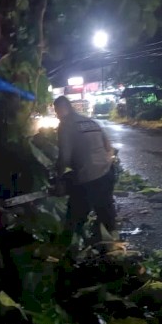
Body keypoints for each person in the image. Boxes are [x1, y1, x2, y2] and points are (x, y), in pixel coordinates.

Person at [53, 96, 118, 256]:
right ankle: (114, 246)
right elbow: (109, 147)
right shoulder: (90, 122)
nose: (56, 115)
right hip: (107, 172)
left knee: (75, 212)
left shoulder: (66, 124)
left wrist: (58, 177)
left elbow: (65, 157)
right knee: (105, 209)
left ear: (62, 109)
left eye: (56, 111)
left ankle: (66, 250)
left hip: (88, 177)